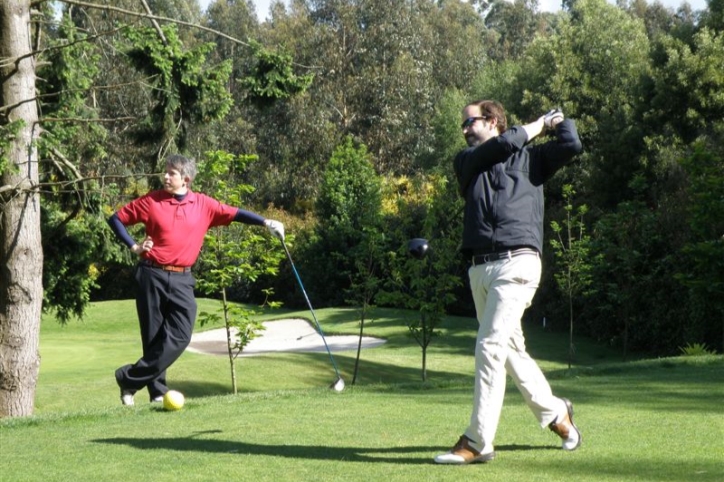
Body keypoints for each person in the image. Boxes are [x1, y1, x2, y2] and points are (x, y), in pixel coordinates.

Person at [434, 101, 583, 464]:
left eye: (470, 122)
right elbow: (501, 146)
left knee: (489, 346)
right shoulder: (466, 163)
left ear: (493, 121)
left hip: (518, 264)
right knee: (511, 352)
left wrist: (560, 120)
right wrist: (539, 123)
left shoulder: (532, 160)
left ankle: (478, 441)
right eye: (463, 125)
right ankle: (556, 413)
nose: (465, 129)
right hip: (479, 269)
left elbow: (572, 145)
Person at [107, 154, 284, 406]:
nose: (165, 177)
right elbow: (116, 219)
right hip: (151, 274)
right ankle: (157, 393)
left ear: (186, 179)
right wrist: (134, 246)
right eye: (165, 172)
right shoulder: (151, 201)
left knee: (180, 336)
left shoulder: (204, 204)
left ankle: (128, 379)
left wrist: (265, 222)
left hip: (182, 278)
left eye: (171, 173)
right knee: (153, 337)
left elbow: (235, 214)